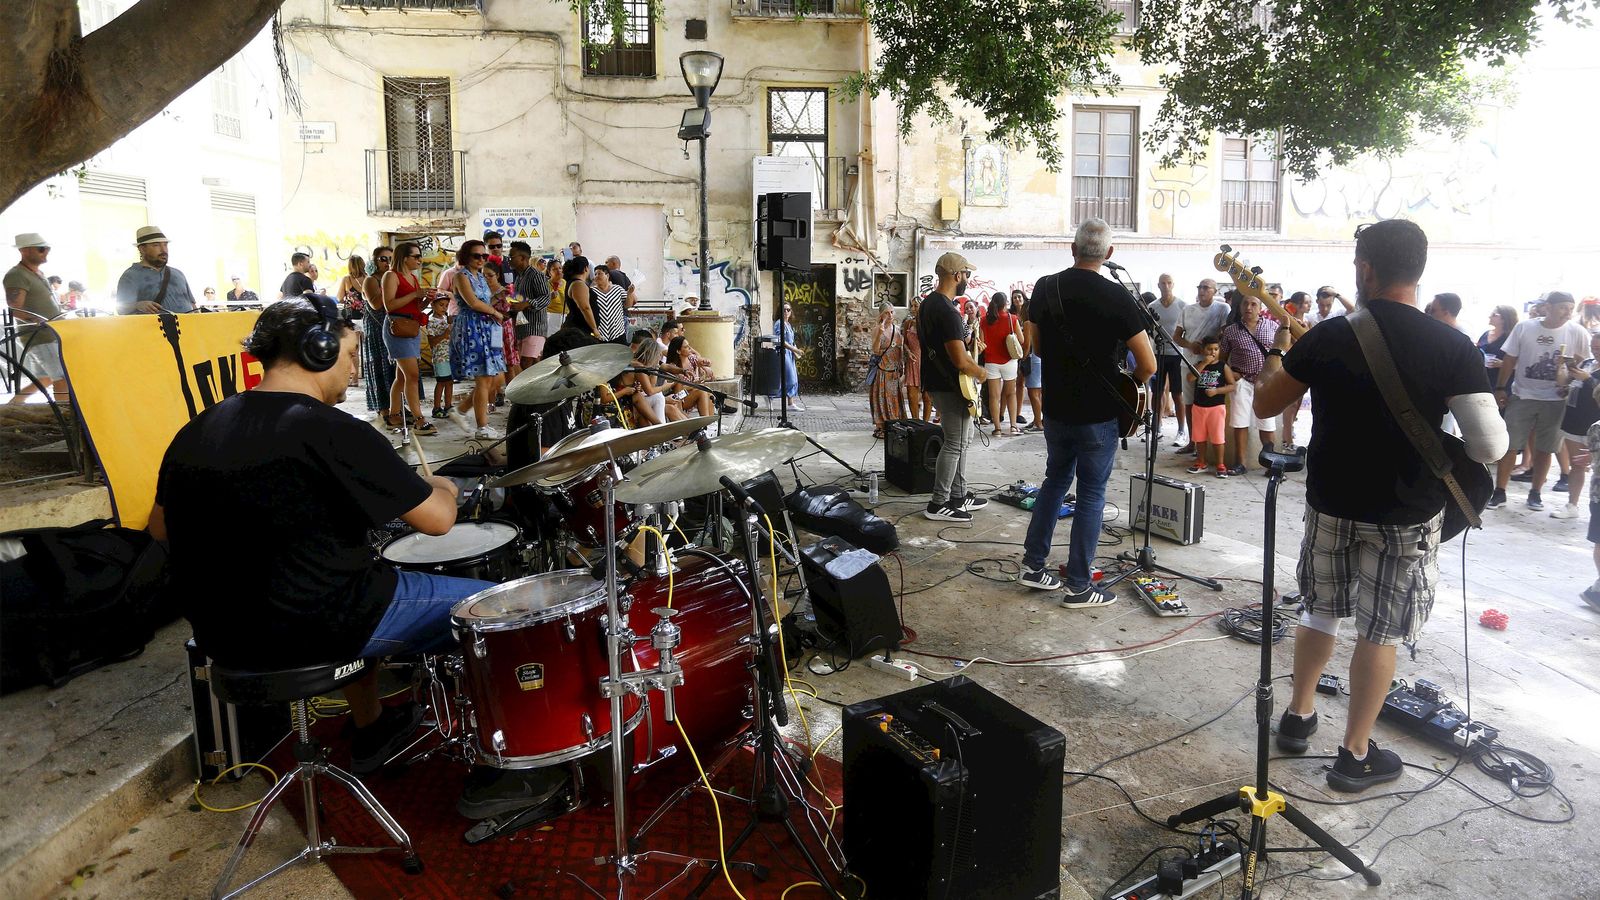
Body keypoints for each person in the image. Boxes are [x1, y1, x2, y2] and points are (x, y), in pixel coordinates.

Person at [147, 297, 486, 774]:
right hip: (318, 628)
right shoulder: (333, 429)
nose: (353, 370)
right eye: (350, 355)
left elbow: (159, 527)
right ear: (318, 350)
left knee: (350, 573)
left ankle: (372, 727)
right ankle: (501, 760)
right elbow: (437, 521)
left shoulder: (199, 428)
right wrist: (444, 487)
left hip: (222, 639)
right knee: (498, 610)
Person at [1254, 218, 1507, 793]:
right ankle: (1354, 755)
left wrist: (1281, 349)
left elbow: (1266, 404)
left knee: (1320, 610)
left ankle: (1297, 716)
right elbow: (1490, 446)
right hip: (1405, 514)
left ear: (1366, 270)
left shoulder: (1328, 335)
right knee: (1380, 631)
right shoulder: (1452, 345)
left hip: (1331, 502)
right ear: (1417, 270)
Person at [1020, 218, 1155, 604]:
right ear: (1109, 253)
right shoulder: (1117, 296)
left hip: (1056, 409)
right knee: (1092, 493)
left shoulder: (1045, 287)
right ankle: (1079, 584)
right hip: (1099, 414)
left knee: (1054, 482)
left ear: (1072, 248)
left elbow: (1038, 348)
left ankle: (1033, 565)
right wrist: (1125, 383)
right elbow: (1148, 365)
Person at [1488, 291, 1591, 511]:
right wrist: (1500, 388)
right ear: (1548, 307)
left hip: (1556, 399)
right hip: (1522, 395)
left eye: (1570, 308)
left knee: (1546, 448)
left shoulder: (1577, 332)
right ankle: (1500, 492)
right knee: (1510, 445)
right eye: (1563, 307)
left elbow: (1584, 361)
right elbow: (1510, 358)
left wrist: (1570, 377)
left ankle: (1535, 493)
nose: (1567, 312)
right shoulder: (1525, 327)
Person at [918, 253, 990, 523]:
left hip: (938, 381)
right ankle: (939, 503)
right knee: (954, 443)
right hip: (951, 385)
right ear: (957, 275)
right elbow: (960, 360)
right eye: (966, 275)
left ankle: (958, 494)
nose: (968, 280)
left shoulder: (928, 304)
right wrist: (981, 372)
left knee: (961, 441)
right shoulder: (947, 311)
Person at [446, 240, 509, 439]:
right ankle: (482, 427)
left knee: (495, 378)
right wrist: (495, 313)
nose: (481, 259)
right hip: (472, 328)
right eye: (477, 255)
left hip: (487, 327)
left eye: (484, 256)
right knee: (484, 377)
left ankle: (460, 410)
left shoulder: (480, 277)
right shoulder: (461, 276)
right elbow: (473, 303)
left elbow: (484, 301)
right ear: (466, 256)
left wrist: (498, 297)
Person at [1218, 294, 1282, 474]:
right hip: (1242, 382)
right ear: (1240, 307)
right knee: (1240, 423)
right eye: (1245, 304)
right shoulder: (1231, 330)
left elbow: (1284, 350)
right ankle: (1241, 464)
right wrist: (1231, 374)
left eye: (1254, 304)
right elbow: (1222, 359)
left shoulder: (1273, 326)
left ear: (1260, 308)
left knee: (1267, 424)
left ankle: (1271, 465)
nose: (1249, 307)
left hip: (1267, 383)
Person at [5, 233, 68, 404]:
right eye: (41, 249)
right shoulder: (17, 275)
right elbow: (14, 308)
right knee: (61, 376)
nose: (46, 252)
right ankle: (63, 412)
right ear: (25, 251)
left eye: (47, 248)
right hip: (41, 336)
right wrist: (38, 320)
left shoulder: (36, 273)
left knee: (45, 378)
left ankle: (13, 406)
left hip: (48, 334)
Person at [380, 241, 436, 435]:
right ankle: (419, 419)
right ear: (404, 258)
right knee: (412, 375)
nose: (420, 260)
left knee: (403, 376)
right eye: (416, 256)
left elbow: (415, 307)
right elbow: (389, 305)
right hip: (397, 327)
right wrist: (415, 294)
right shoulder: (391, 276)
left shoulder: (412, 277)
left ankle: (394, 415)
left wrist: (426, 300)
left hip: (411, 327)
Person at [1171, 278, 1230, 453]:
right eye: (1200, 287)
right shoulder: (1187, 310)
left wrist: (1209, 348)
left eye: (1206, 287)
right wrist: (1191, 345)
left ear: (1215, 291)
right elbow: (1176, 337)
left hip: (1212, 365)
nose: (1202, 290)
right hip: (1189, 362)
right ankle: (1192, 442)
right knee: (1189, 403)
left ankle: (1209, 446)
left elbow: (1225, 334)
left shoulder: (1222, 309)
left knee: (1209, 404)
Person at [1552, 331, 1600, 519]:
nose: (1595, 351)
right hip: (1574, 420)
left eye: (1599, 348)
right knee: (1577, 464)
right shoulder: (1587, 363)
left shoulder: (1589, 372)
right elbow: (1563, 383)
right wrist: (1562, 367)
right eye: (1593, 347)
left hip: (1595, 424)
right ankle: (1572, 504)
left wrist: (1587, 379)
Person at [116, 226, 196, 314]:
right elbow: (121, 309)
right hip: (152, 323)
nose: (164, 250)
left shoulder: (178, 274)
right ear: (142, 249)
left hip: (188, 322)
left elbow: (192, 305)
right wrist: (137, 305)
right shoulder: (131, 276)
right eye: (156, 245)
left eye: (165, 245)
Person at [1185, 336, 1234, 478]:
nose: (1213, 352)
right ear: (1202, 350)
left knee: (1218, 438)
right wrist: (1204, 364)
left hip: (1216, 407)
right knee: (1199, 437)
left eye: (1216, 349)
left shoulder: (1223, 366)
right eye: (1209, 349)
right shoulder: (1198, 365)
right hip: (1199, 406)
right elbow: (1190, 378)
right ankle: (1201, 462)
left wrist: (1217, 391)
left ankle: (1220, 464)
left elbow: (1232, 385)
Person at [1147, 273, 1187, 444]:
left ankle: (1181, 430)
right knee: (1157, 392)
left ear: (1173, 284)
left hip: (1177, 354)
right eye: (1163, 283)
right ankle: (1157, 427)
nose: (1166, 286)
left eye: (1169, 283)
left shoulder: (1182, 305)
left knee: (1177, 393)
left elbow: (1186, 329)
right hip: (1158, 353)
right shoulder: (1152, 306)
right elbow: (1149, 329)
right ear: (1158, 285)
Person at [979, 292, 1023, 436]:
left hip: (991, 362)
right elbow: (1021, 340)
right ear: (1005, 303)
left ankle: (997, 428)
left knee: (994, 397)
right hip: (1009, 361)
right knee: (1011, 394)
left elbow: (982, 342)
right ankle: (1013, 426)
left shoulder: (984, 320)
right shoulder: (1012, 318)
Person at [361, 247, 396, 414]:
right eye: (383, 259)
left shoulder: (393, 277)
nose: (387, 262)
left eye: (391, 259)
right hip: (376, 328)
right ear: (375, 261)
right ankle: (383, 408)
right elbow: (375, 304)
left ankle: (397, 405)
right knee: (379, 367)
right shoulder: (371, 280)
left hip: (392, 326)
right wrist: (386, 285)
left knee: (395, 369)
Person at [507, 242, 551, 362]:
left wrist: (526, 304)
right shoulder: (518, 278)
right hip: (522, 328)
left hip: (535, 328)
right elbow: (518, 302)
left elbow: (546, 298)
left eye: (511, 257)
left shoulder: (536, 275)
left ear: (522, 258)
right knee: (529, 365)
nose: (508, 260)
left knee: (527, 364)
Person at [869, 303, 908, 437]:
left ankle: (894, 424)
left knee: (894, 399)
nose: (890, 315)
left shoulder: (897, 330)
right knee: (881, 399)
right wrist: (880, 334)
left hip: (894, 370)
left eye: (891, 312)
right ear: (881, 315)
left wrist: (902, 367)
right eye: (887, 312)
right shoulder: (877, 329)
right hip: (882, 370)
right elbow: (875, 350)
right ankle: (882, 426)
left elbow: (900, 350)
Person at [770, 302, 805, 411]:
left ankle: (790, 403)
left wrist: (795, 351)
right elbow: (781, 341)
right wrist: (795, 349)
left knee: (788, 378)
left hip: (789, 353)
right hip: (783, 353)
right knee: (791, 379)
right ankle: (770, 396)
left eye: (788, 310)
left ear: (791, 311)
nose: (786, 312)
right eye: (784, 310)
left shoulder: (787, 324)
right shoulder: (779, 323)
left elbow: (790, 340)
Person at [1477, 304, 1518, 389]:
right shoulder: (1486, 334)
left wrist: (1503, 364)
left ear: (1504, 319)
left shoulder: (1511, 337)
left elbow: (1522, 364)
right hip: (1482, 380)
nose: (1489, 316)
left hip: (1502, 383)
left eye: (1494, 315)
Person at [1018, 295, 1043, 432]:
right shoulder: (1039, 322)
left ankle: (1038, 423)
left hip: (1032, 359)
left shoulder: (1027, 323)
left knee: (1033, 393)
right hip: (1039, 359)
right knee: (1038, 392)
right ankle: (1038, 419)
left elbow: (1027, 344)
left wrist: (1022, 358)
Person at [426, 295, 454, 419]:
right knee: (441, 382)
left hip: (449, 356)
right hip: (440, 357)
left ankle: (448, 406)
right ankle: (436, 408)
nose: (444, 308)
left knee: (450, 382)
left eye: (446, 306)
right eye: (441, 305)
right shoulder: (431, 321)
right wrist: (445, 334)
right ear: (432, 305)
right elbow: (431, 342)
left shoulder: (446, 320)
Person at [589, 265, 628, 343]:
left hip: (618, 332)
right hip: (599, 333)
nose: (596, 276)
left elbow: (628, 304)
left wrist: (630, 293)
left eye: (599, 273)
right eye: (595, 274)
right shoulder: (591, 291)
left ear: (607, 275)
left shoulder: (618, 289)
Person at [904, 298, 927, 421]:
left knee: (927, 396)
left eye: (916, 306)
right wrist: (908, 352)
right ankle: (915, 422)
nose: (913, 309)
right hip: (912, 361)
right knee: (911, 395)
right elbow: (904, 342)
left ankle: (926, 424)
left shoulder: (928, 323)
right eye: (911, 306)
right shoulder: (908, 323)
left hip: (925, 362)